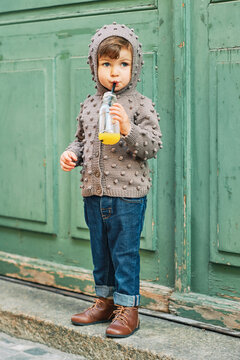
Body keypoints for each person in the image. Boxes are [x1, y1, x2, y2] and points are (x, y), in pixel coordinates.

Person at [60, 22, 162, 338]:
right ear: (95, 66)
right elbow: (81, 139)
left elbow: (153, 145)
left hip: (128, 195)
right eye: (107, 64)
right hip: (93, 192)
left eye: (123, 64)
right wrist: (71, 153)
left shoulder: (139, 104)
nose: (114, 72)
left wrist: (128, 127)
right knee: (101, 251)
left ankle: (127, 308)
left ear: (135, 66)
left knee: (124, 252)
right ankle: (104, 301)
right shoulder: (90, 105)